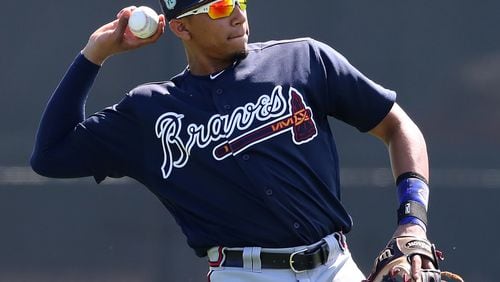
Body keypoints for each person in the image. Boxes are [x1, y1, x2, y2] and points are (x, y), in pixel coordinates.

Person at [31, 0, 436, 281]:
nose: (238, 15)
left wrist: (412, 222)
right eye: (221, 8)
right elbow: (50, 154)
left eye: (240, 2)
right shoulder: (149, 112)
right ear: (181, 26)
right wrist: (92, 56)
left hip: (336, 267)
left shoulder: (302, 60)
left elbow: (399, 128)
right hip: (242, 273)